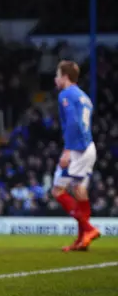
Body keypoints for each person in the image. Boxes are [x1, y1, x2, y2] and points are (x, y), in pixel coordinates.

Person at [51, 60, 100, 251]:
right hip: (89, 147)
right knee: (80, 191)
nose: (55, 79)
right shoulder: (85, 97)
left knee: (58, 191)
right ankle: (82, 241)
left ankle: (88, 229)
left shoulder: (66, 94)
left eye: (57, 75)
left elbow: (73, 123)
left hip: (77, 149)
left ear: (64, 77)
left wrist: (67, 151)